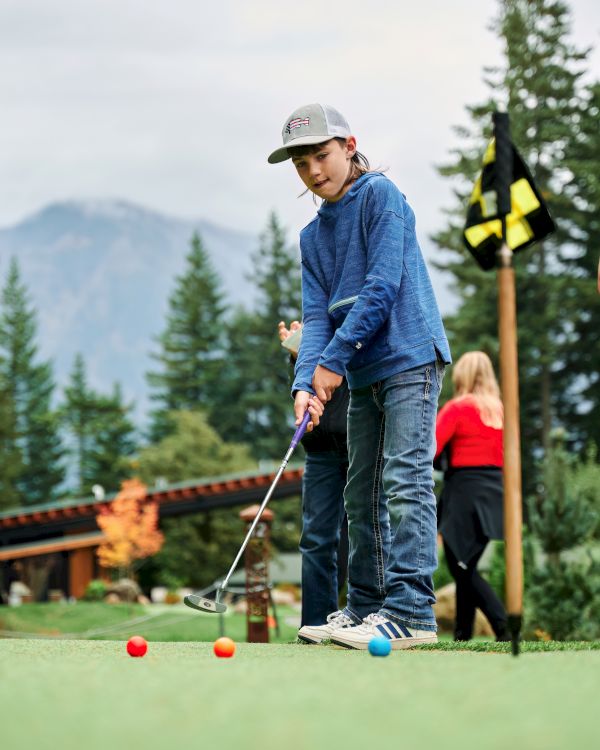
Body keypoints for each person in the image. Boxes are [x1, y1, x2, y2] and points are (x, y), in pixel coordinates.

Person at [268, 103, 451, 649]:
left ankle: (414, 611)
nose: (313, 172)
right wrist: (306, 381)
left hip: (410, 356)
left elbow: (382, 287)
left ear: (349, 146)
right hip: (365, 370)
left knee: (404, 479)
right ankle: (367, 605)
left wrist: (331, 364)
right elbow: (319, 315)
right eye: (301, 164)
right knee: (360, 494)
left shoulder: (381, 197)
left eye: (321, 156)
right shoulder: (311, 237)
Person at [278, 320, 349, 643]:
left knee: (361, 536)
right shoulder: (318, 324)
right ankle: (314, 625)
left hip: (359, 443)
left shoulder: (358, 318)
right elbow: (304, 385)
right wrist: (297, 353)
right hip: (319, 447)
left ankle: (358, 617)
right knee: (316, 538)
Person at [435, 351, 508, 641]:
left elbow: (433, 448)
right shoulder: (502, 411)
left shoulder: (457, 408)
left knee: (460, 566)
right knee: (467, 563)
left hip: (464, 492)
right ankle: (463, 634)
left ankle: (502, 625)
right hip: (495, 493)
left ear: (462, 376)